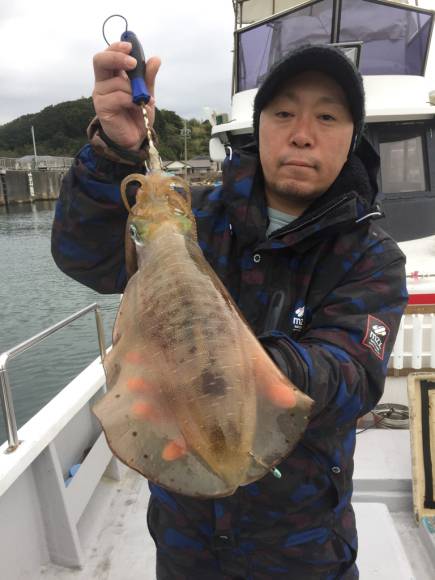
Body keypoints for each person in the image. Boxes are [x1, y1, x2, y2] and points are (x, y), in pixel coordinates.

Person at [52, 43, 408, 579]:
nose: (302, 132)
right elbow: (88, 258)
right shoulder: (193, 215)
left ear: (352, 136)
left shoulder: (372, 258)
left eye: (327, 116)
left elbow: (351, 372)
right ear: (259, 126)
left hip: (302, 545)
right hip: (184, 537)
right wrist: (113, 151)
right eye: (283, 112)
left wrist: (229, 366)